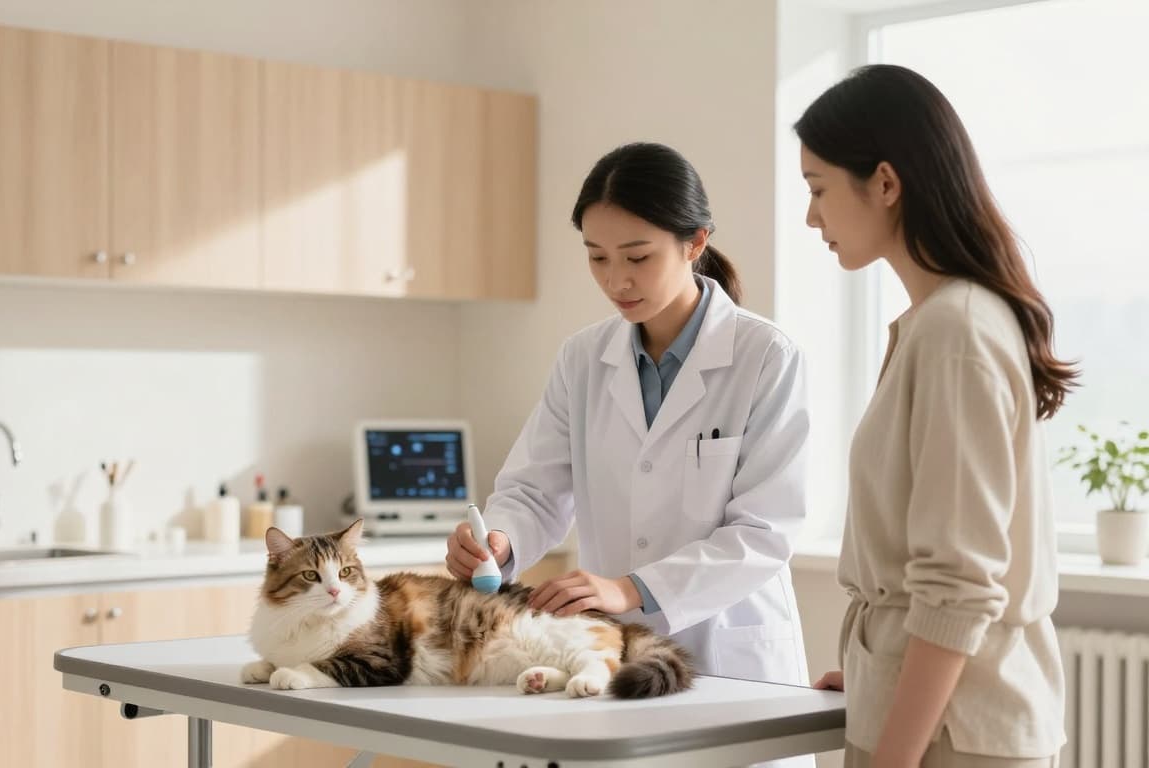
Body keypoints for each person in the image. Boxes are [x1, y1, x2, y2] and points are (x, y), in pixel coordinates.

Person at [447, 141, 814, 711]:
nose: (617, 280)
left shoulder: (765, 356)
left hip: (729, 656)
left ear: (695, 243)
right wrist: (501, 539)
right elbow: (534, 489)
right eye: (597, 257)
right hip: (614, 653)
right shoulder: (583, 359)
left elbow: (764, 532)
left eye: (638, 257)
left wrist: (629, 589)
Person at [798, 64, 1075, 767]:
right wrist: (872, 674)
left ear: (886, 183)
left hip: (954, 737)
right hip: (932, 716)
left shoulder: (957, 332)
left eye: (818, 189)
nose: (811, 217)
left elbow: (957, 586)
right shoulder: (936, 324)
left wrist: (893, 754)